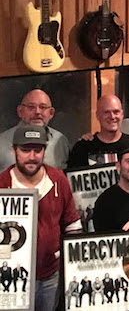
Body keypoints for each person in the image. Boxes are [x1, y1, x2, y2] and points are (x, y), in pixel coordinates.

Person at [0, 125, 81, 311]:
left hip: (50, 274)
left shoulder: (58, 179)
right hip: (13, 276)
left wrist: (71, 265)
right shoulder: (2, 183)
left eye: (38, 149)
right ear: (14, 150)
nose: (32, 156)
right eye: (25, 149)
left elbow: (72, 224)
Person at [0, 89, 70, 172]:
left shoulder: (61, 141)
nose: (37, 112)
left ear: (51, 113)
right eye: (31, 107)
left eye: (43, 107)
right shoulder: (2, 142)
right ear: (20, 111)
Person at [68, 94, 129, 168]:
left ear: (122, 114)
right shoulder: (82, 148)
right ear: (97, 115)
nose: (112, 117)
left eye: (116, 112)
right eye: (106, 112)